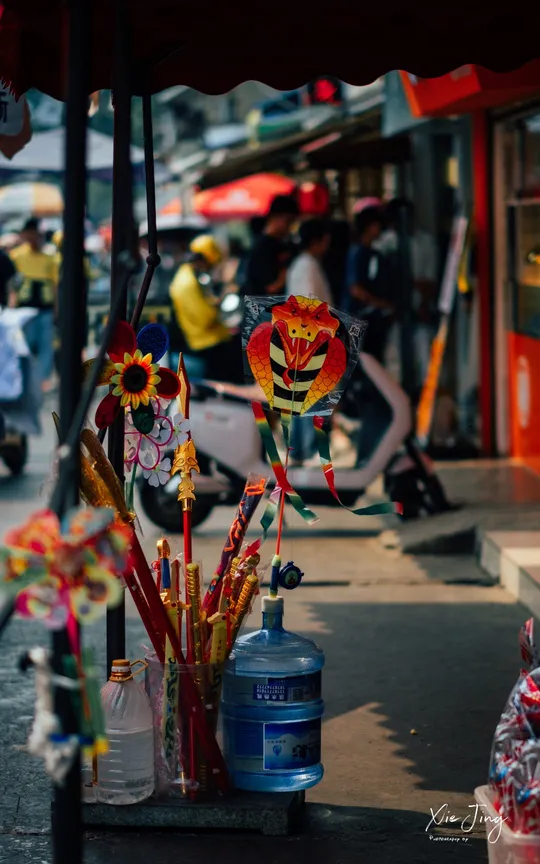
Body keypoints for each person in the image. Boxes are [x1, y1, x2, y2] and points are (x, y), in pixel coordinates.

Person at [378, 198, 438, 384]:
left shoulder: (425, 242)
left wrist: (413, 285)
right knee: (394, 362)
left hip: (419, 310)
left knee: (424, 359)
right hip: (394, 313)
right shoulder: (385, 243)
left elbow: (430, 281)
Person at [169, 234, 243, 382]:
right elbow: (205, 318)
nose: (210, 267)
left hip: (212, 338)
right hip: (207, 343)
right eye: (210, 264)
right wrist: (217, 305)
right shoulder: (187, 283)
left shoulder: (192, 276)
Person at [10, 217, 59, 391]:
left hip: (45, 308)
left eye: (36, 235)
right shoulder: (16, 255)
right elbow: (12, 285)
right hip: (23, 308)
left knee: (46, 346)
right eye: (30, 234)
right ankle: (24, 380)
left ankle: (42, 381)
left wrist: (57, 309)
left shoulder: (50, 257)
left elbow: (54, 285)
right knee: (25, 345)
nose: (33, 238)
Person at [343, 205, 395, 362]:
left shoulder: (374, 253)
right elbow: (355, 289)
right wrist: (379, 303)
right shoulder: (358, 253)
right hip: (359, 318)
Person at [242, 195, 298, 296]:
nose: (290, 226)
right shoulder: (262, 248)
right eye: (289, 221)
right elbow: (270, 288)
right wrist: (289, 271)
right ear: (275, 217)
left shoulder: (285, 244)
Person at [286, 219, 332, 303]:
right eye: (325, 241)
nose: (327, 246)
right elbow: (308, 301)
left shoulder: (306, 262)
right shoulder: (306, 265)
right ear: (315, 242)